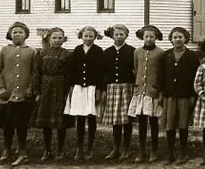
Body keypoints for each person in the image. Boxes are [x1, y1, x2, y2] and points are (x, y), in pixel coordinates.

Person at [0, 21, 39, 166]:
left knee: (22, 123)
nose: (17, 34)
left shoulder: (32, 51)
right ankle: (6, 149)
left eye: (20, 32)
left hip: (24, 95)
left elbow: (35, 72)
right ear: (10, 35)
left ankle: (22, 149)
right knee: (7, 123)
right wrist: (0, 88)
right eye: (15, 32)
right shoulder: (3, 50)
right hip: (7, 95)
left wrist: (31, 87)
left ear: (26, 35)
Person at [65, 26, 106, 162]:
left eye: (91, 36)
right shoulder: (77, 50)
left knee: (91, 117)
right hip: (79, 88)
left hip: (92, 88)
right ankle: (80, 147)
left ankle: (90, 147)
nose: (88, 38)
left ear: (95, 37)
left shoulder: (98, 51)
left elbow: (101, 72)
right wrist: (71, 87)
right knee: (80, 118)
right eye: (86, 36)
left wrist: (100, 89)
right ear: (81, 36)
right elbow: (71, 70)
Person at [162, 27, 201, 164]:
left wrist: (192, 95)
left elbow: (196, 77)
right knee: (170, 124)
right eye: (175, 37)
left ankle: (183, 153)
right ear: (171, 39)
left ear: (185, 38)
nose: (177, 40)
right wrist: (162, 93)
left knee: (183, 124)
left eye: (180, 37)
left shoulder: (191, 56)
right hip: (170, 95)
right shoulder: (166, 55)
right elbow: (162, 75)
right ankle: (170, 153)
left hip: (185, 95)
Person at [33, 27, 72, 162]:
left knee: (60, 121)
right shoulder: (42, 54)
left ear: (64, 39)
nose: (57, 40)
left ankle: (60, 149)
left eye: (60, 38)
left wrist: (68, 92)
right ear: (49, 39)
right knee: (46, 121)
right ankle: (47, 149)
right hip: (45, 88)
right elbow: (36, 73)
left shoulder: (67, 55)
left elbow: (69, 74)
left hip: (60, 87)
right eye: (54, 38)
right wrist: (36, 91)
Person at [129, 25, 165, 163]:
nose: (149, 39)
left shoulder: (161, 53)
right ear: (142, 37)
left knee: (153, 122)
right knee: (141, 122)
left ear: (156, 38)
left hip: (153, 92)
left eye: (151, 37)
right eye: (146, 36)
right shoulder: (137, 52)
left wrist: (159, 91)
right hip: (140, 91)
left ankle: (154, 151)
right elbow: (136, 69)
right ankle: (141, 151)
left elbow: (162, 73)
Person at [101, 24, 136, 161]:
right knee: (115, 120)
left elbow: (135, 70)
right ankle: (116, 148)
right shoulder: (107, 52)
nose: (119, 37)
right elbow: (103, 72)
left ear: (126, 35)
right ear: (112, 36)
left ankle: (126, 149)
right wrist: (104, 89)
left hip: (127, 87)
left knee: (127, 119)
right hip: (112, 88)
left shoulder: (132, 51)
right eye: (116, 34)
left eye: (122, 34)